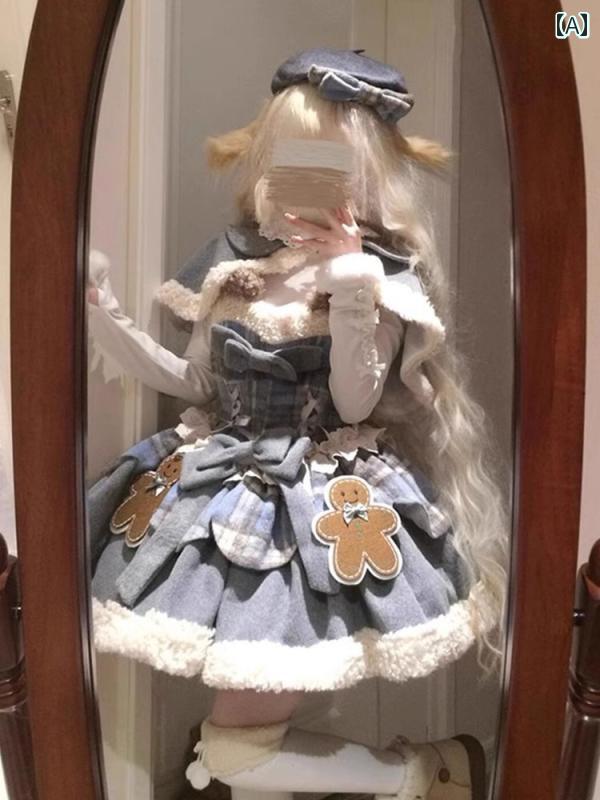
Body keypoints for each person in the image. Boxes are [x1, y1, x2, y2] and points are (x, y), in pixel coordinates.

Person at [87, 48, 508, 799]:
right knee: (243, 744)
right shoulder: (230, 266)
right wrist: (107, 319)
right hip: (217, 488)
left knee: (236, 748)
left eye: (327, 166)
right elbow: (196, 381)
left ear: (363, 175)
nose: (304, 183)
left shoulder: (380, 278)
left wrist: (352, 283)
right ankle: (428, 772)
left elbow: (354, 400)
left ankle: (425, 772)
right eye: (289, 159)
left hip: (315, 503)